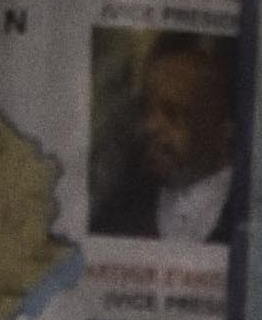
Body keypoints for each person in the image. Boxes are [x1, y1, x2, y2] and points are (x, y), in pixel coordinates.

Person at [91, 28, 241, 244]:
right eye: (147, 110)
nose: (149, 126)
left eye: (173, 113)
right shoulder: (119, 213)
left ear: (224, 131)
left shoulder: (248, 215)